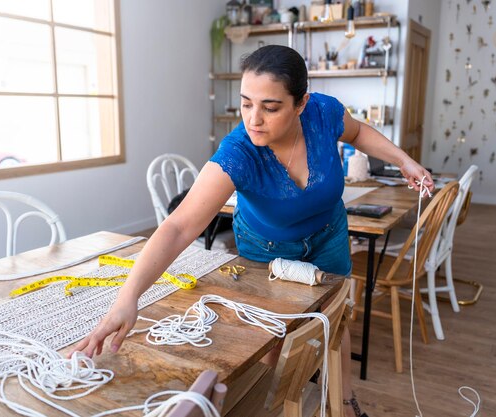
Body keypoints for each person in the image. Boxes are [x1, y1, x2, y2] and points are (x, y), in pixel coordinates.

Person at [72, 45, 434, 417]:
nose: (253, 119)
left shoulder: (324, 112)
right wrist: (127, 299)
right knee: (274, 339)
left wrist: (403, 159)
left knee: (334, 322)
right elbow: (179, 227)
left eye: (270, 107)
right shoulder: (238, 153)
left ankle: (343, 401)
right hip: (266, 247)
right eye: (246, 103)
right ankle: (276, 404)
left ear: (301, 103)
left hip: (328, 233)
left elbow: (358, 134)